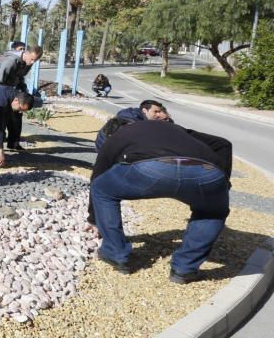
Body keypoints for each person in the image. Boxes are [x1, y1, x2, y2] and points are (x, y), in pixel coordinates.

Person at [90, 119, 232, 283]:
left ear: (108, 135)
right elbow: (223, 144)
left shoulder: (116, 135)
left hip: (152, 168)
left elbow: (98, 177)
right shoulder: (172, 127)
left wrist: (94, 219)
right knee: (212, 211)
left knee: (101, 188)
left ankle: (115, 253)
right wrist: (223, 184)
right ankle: (184, 269)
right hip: (208, 171)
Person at [0, 45, 43, 149]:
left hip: (10, 89)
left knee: (17, 114)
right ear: (26, 53)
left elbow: (20, 77)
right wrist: (4, 100)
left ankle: (13, 143)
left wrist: (23, 91)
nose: (32, 63)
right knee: (0, 117)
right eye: (31, 59)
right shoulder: (11, 61)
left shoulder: (27, 62)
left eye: (34, 61)